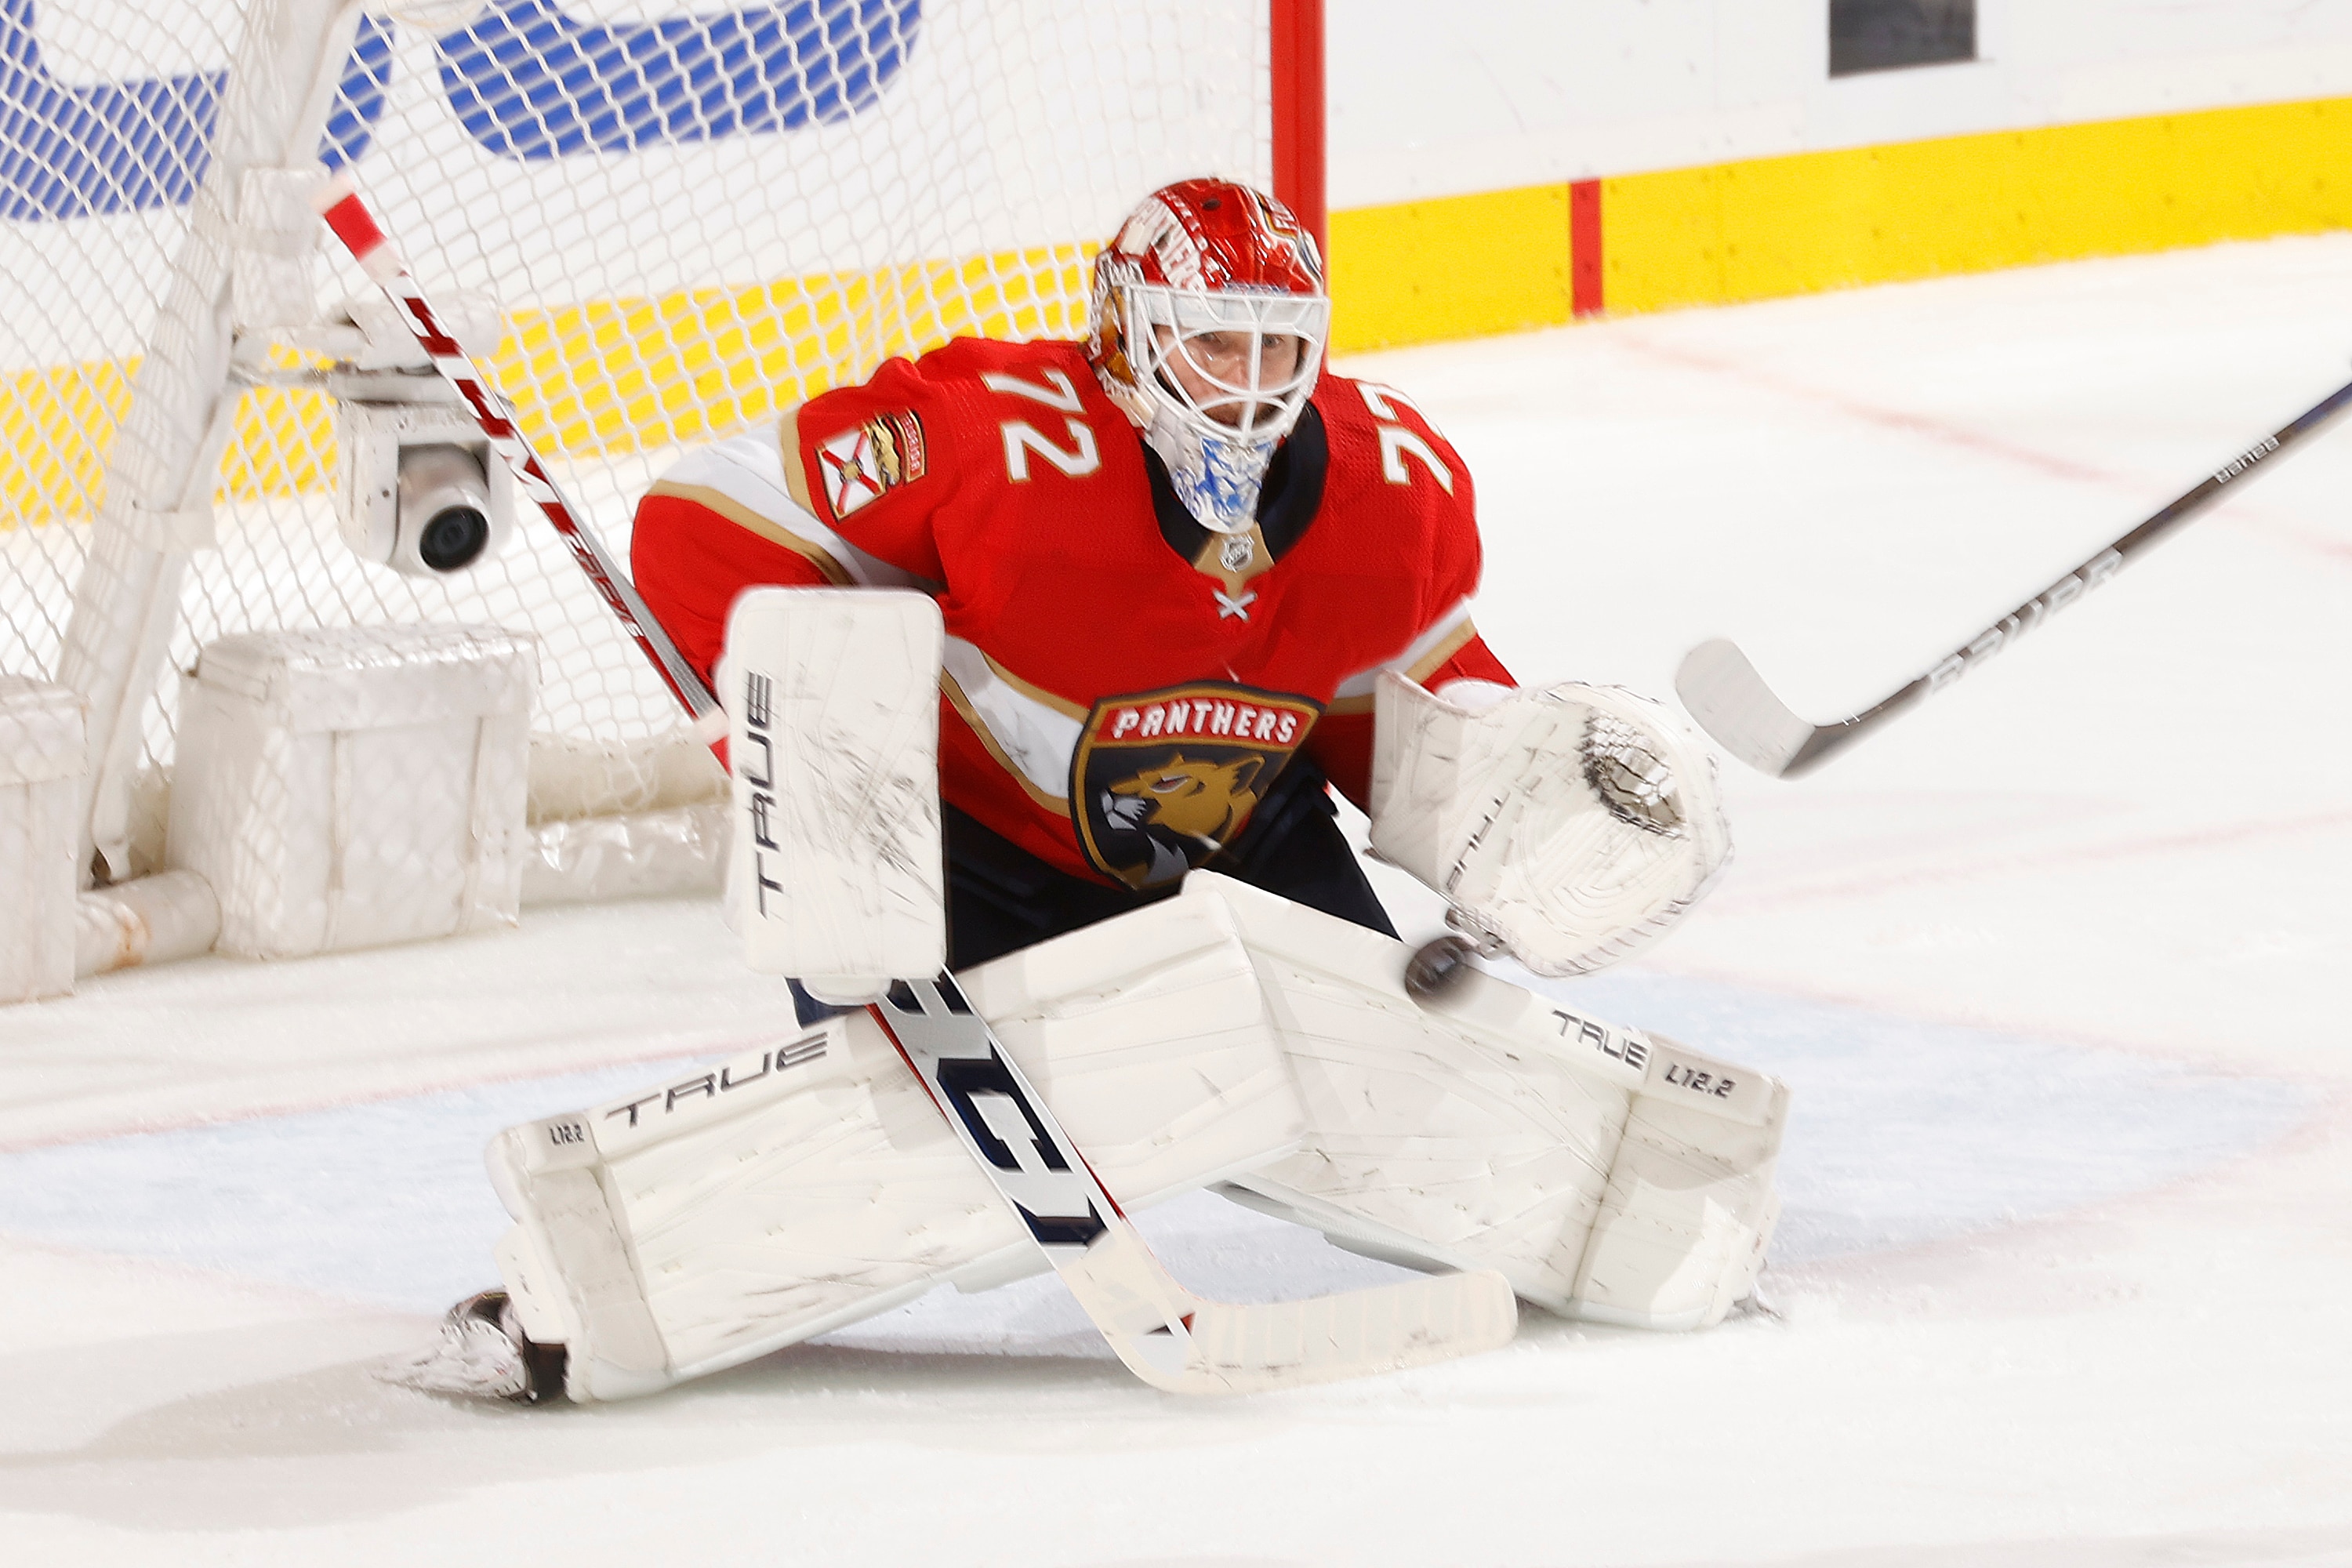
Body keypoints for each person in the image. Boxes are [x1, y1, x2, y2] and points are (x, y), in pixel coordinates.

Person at [630, 178, 1515, 970]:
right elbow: (703, 515)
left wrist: (1515, 805)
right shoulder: (987, 438)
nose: (1248, 386)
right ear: (1128, 333)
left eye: (1274, 348)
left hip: (1239, 843)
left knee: (1377, 1101)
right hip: (964, 847)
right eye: (1212, 343)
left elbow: (1409, 682)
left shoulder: (1396, 485)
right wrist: (809, 750)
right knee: (928, 1117)